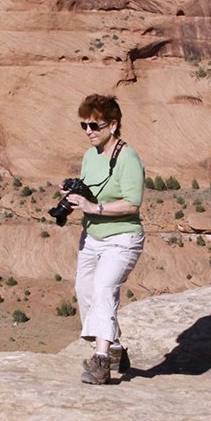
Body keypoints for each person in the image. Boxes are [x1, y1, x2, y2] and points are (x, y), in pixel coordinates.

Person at [62, 93, 145, 385]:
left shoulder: (127, 157)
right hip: (93, 236)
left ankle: (100, 362)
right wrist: (77, 198)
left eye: (94, 126)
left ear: (113, 124)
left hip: (122, 238)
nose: (88, 132)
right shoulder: (89, 156)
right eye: (84, 125)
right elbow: (92, 191)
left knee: (103, 289)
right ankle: (116, 348)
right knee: (85, 290)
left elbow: (133, 203)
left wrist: (93, 207)